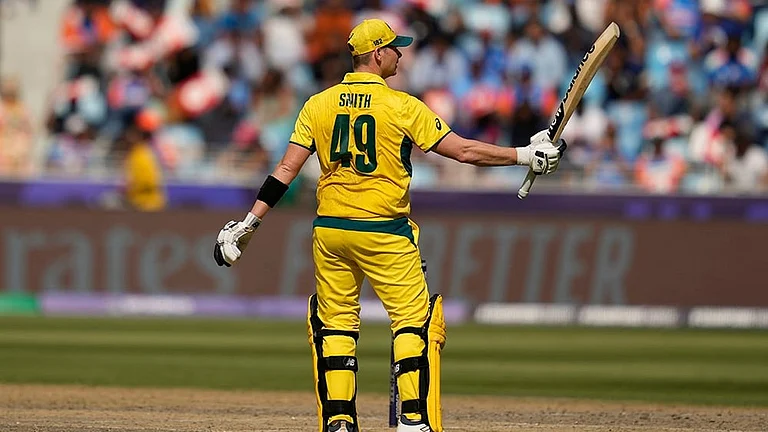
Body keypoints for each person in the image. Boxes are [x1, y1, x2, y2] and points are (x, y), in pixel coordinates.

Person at [212, 19, 565, 432]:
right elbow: (464, 151)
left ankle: (340, 421)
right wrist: (524, 156)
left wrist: (249, 223)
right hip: (383, 230)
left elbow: (285, 170)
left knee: (337, 324)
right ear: (378, 54)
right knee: (414, 321)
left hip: (330, 231)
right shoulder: (401, 106)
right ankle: (412, 419)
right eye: (395, 48)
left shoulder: (318, 104)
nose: (400, 54)